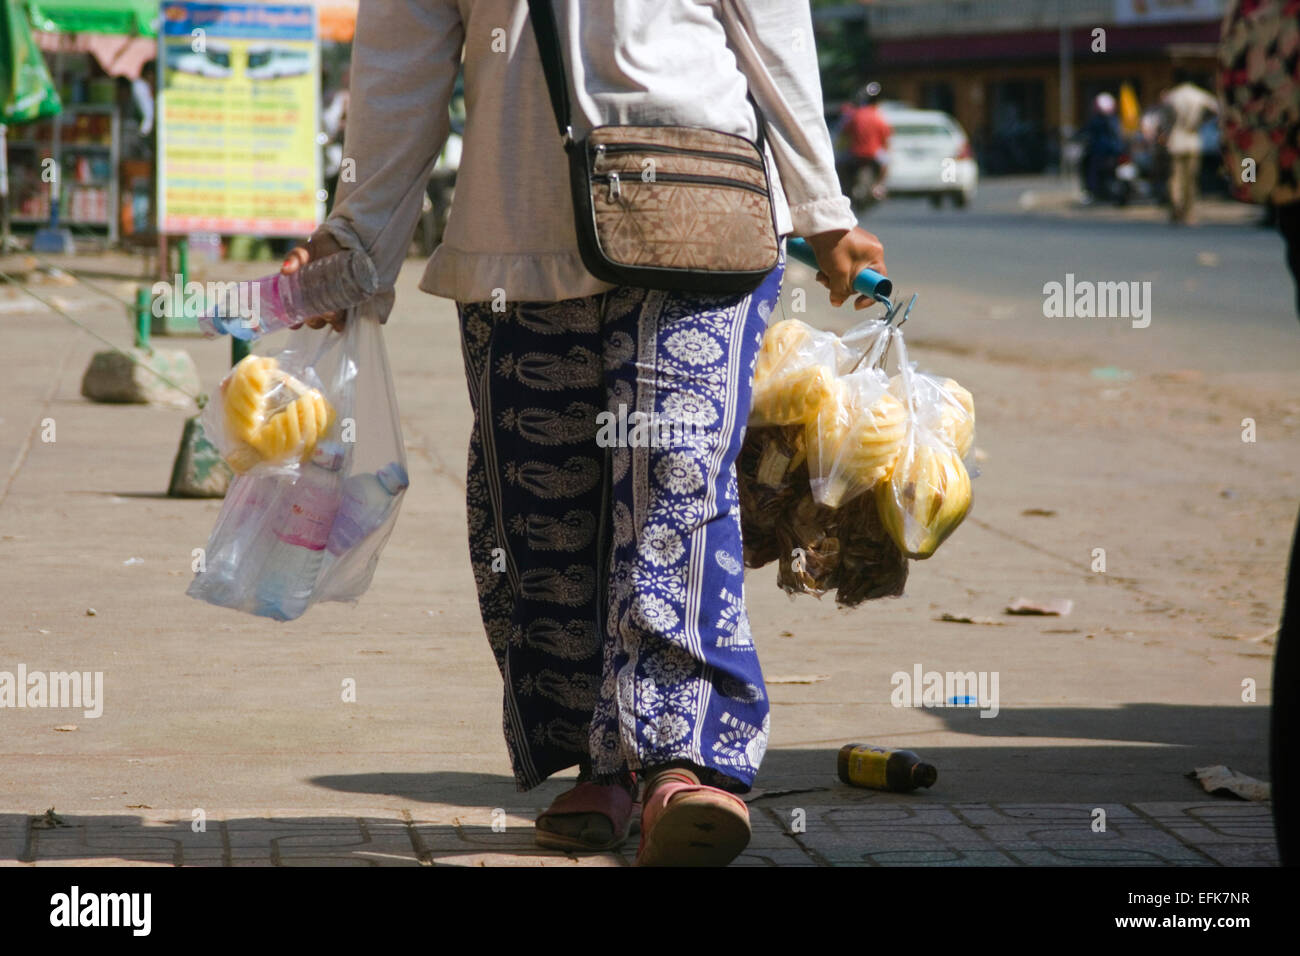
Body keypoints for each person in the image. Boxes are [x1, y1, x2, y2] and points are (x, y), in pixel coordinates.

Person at [282, 0, 886, 867]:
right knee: (546, 509)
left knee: (675, 483)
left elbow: (771, 23)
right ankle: (600, 757)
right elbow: (400, 61)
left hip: (700, 209)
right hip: (514, 232)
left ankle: (680, 760)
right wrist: (355, 241)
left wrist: (823, 208)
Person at [1163, 71, 1219, 224]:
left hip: (1176, 141)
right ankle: (1189, 213)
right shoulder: (1199, 95)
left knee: (1176, 180)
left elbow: (1166, 120)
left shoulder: (1173, 96)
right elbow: (1216, 109)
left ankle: (1176, 210)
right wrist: (1202, 122)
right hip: (1193, 140)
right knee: (1191, 180)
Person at [837, 81, 892, 205]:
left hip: (855, 152)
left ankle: (841, 189)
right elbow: (886, 138)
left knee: (839, 165)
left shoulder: (855, 115)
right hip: (873, 153)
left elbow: (845, 133)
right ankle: (879, 186)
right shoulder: (879, 116)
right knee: (886, 165)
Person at [1080, 92, 1122, 203]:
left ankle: (1093, 192)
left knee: (1092, 172)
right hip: (1113, 151)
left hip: (1100, 152)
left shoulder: (1098, 120)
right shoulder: (1114, 120)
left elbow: (1085, 131)